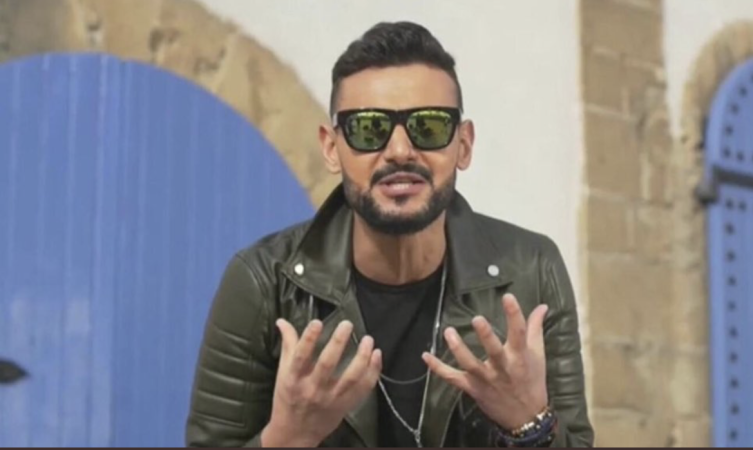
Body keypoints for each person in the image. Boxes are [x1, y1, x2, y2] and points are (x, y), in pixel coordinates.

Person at [185, 21, 593, 448]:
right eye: (369, 129)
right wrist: (288, 438)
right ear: (331, 148)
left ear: (464, 145)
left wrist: (529, 423)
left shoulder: (530, 271)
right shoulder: (263, 283)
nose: (400, 151)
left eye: (429, 127)